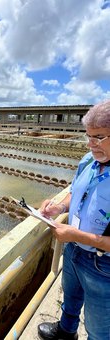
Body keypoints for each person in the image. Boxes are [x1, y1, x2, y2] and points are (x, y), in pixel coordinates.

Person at [37, 99, 110, 340]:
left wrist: (74, 234)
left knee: (99, 328)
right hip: (74, 250)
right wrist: (58, 207)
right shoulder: (88, 161)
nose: (91, 144)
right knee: (71, 298)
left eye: (98, 137)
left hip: (103, 265)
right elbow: (74, 192)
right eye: (88, 136)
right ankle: (66, 332)